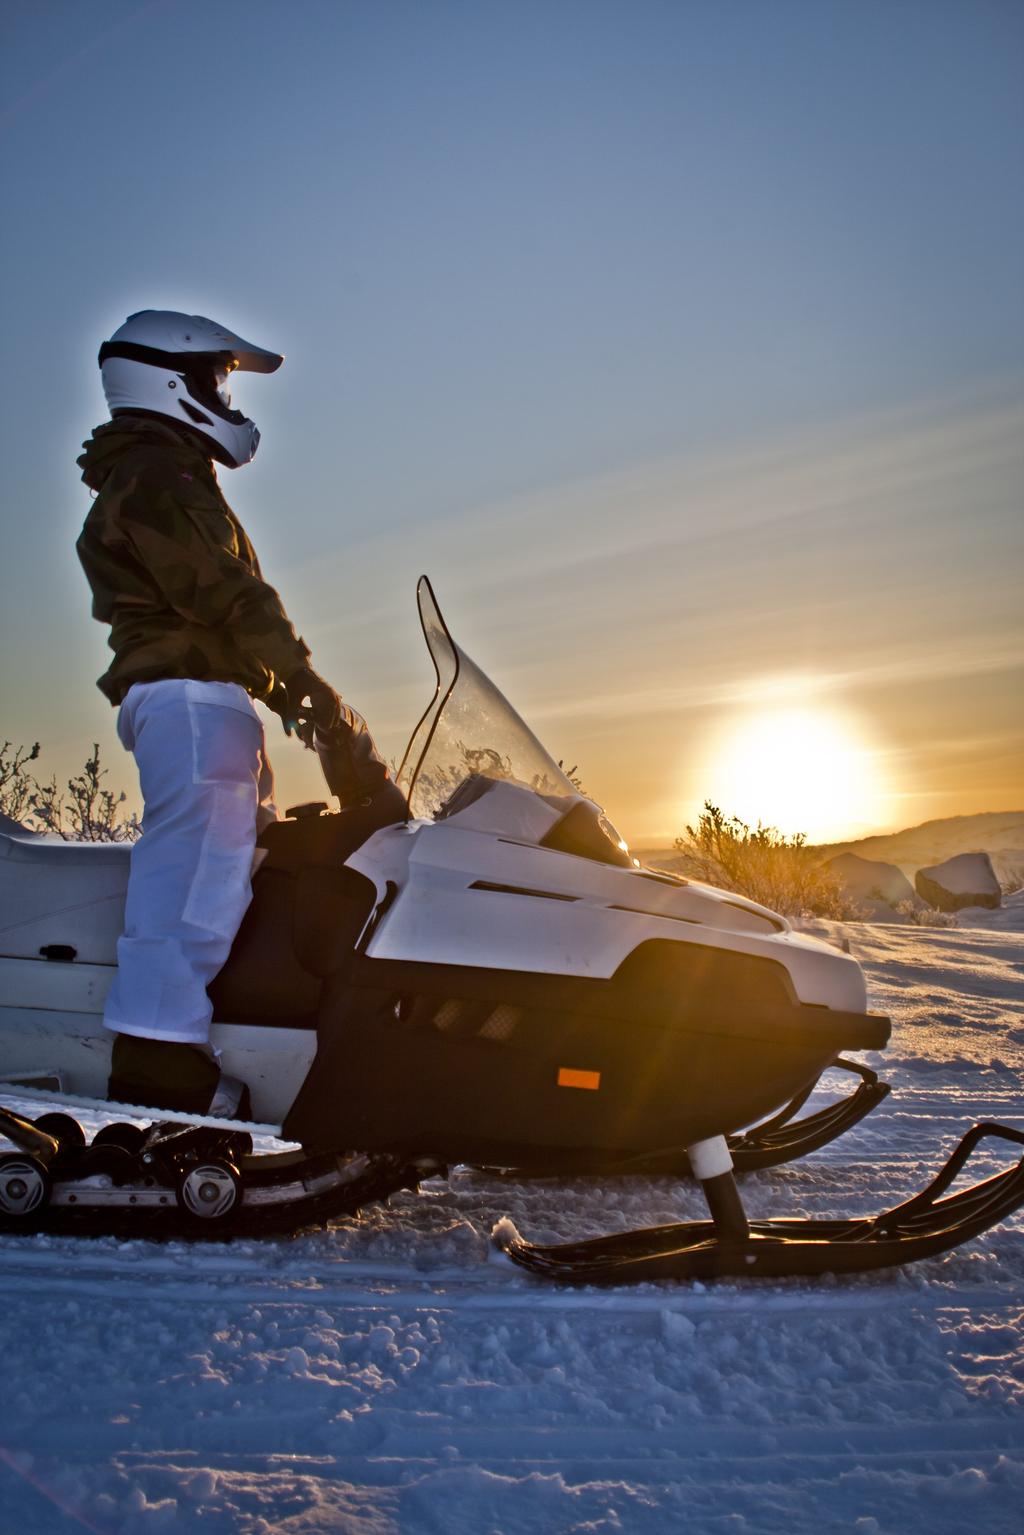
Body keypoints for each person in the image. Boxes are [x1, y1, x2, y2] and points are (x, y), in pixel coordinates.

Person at [76, 309, 347, 1118]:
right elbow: (224, 591)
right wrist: (302, 680)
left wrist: (280, 686)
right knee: (193, 878)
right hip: (192, 701)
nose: (225, 396)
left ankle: (234, 1036)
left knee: (232, 868)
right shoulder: (160, 477)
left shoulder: (161, 472)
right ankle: (157, 1070)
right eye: (215, 379)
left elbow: (215, 603)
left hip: (206, 695)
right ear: (172, 381)